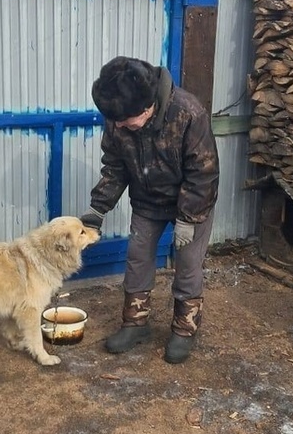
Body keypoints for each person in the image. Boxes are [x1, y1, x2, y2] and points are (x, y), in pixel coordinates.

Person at [81, 56, 219, 364]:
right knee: (138, 256)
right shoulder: (118, 113)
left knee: (187, 262)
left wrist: (188, 219)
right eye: (114, 121)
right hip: (147, 201)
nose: (118, 127)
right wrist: (97, 208)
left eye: (125, 121)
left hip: (192, 201)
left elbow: (203, 173)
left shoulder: (189, 113)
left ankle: (185, 329)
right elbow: (115, 167)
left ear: (148, 109)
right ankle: (135, 324)